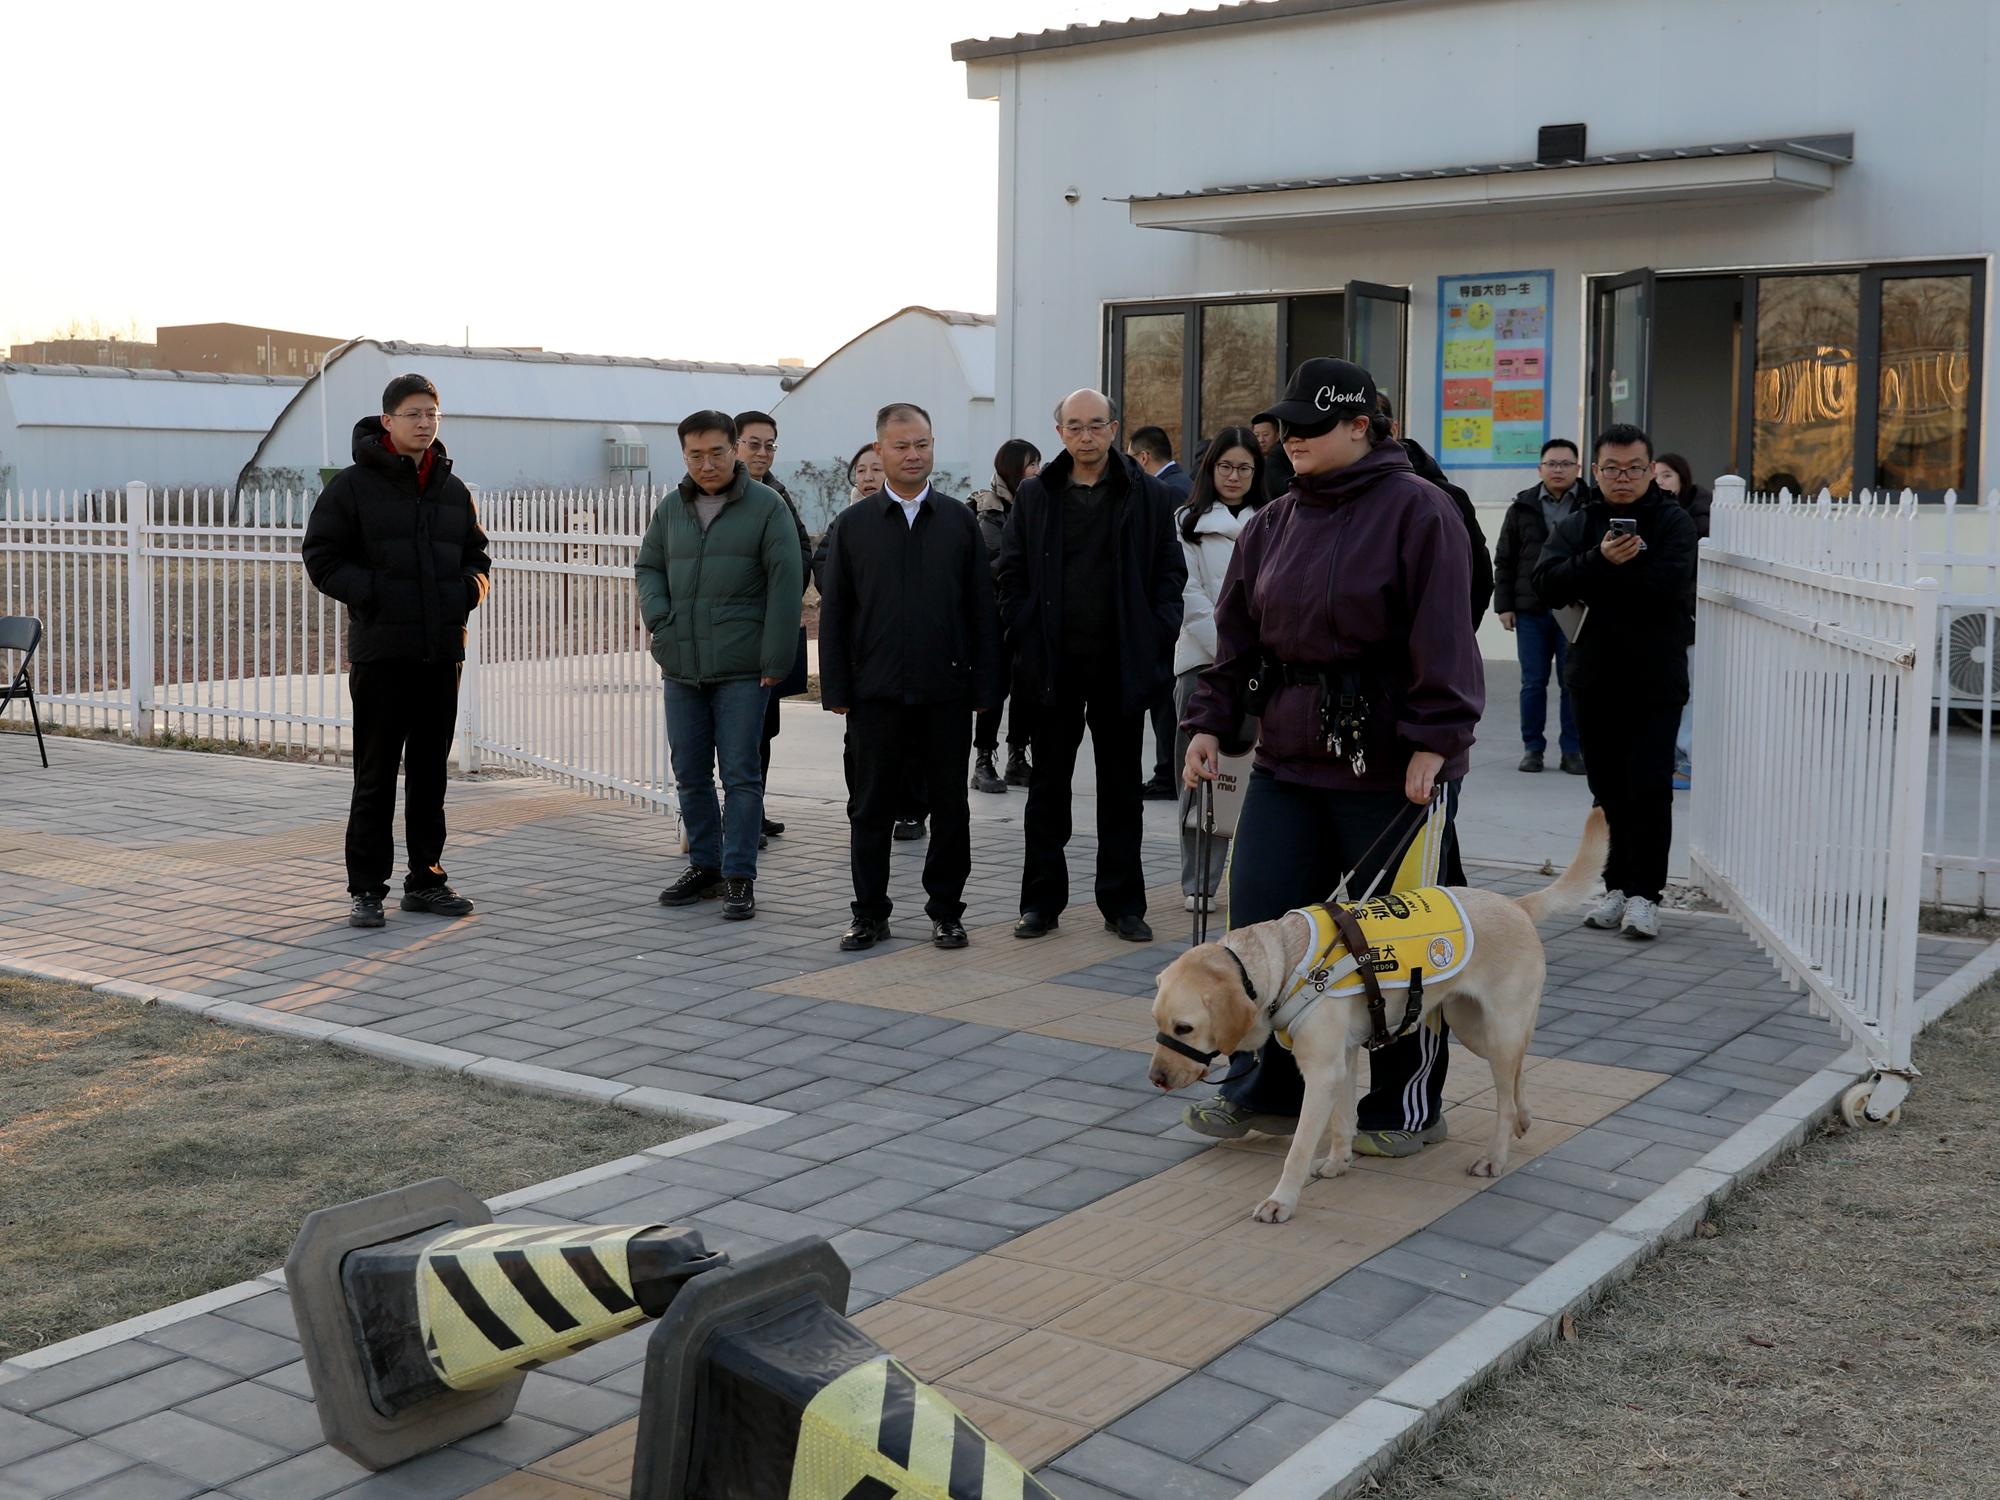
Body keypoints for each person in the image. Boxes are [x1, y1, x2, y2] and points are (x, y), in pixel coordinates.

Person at [1182, 357, 1483, 1157]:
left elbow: (1446, 635)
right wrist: (1209, 721)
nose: (1292, 439)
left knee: (1400, 944)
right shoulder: (1275, 521)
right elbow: (1236, 637)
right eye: (1288, 425)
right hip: (1287, 758)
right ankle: (1267, 1088)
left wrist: (1437, 741)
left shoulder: (1421, 510)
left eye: (1312, 426)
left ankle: (1405, 1105)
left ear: (1360, 426)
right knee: (1263, 930)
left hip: (1391, 767)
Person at [997, 388, 1186, 944]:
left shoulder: (1149, 495)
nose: (1086, 436)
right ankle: (1041, 903)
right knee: (1047, 790)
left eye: (1096, 425)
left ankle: (1123, 904)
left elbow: (1169, 574)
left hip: (1121, 664)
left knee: (1121, 791)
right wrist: (1022, 627)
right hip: (1052, 665)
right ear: (1060, 432)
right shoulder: (1036, 494)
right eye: (1075, 426)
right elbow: (1012, 570)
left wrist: (1156, 633)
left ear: (1114, 429)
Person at [304, 373, 491, 929]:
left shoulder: (452, 490)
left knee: (431, 775)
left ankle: (426, 880)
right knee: (376, 775)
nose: (424, 423)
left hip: (441, 653)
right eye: (413, 414)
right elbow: (321, 557)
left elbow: (478, 558)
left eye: (432, 413)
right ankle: (366, 889)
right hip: (382, 654)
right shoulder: (352, 487)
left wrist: (466, 592)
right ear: (387, 421)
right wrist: (375, 593)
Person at [819, 403, 1000, 952]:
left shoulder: (958, 521)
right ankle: (869, 913)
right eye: (901, 446)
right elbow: (836, 613)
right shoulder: (854, 526)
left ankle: (946, 911)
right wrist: (837, 689)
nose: (913, 455)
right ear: (880, 451)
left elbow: (981, 609)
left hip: (946, 692)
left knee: (950, 807)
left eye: (922, 444)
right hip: (874, 694)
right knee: (869, 807)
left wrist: (985, 687)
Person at [1533, 424, 1697, 941]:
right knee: (1606, 790)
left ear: (1650, 470)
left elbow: (1668, 585)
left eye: (1633, 468)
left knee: (1650, 787)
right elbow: (1546, 584)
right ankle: (1615, 887)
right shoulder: (1580, 524)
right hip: (1593, 678)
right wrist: (1597, 561)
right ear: (1596, 471)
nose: (1622, 478)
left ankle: (1646, 894)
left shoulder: (1673, 521)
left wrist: (1600, 577)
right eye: (1611, 469)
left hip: (1655, 679)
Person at [638, 411, 803, 922]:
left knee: (740, 774)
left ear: (734, 450)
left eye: (716, 452)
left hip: (742, 667)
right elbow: (649, 566)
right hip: (682, 664)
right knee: (689, 772)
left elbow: (786, 584)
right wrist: (660, 620)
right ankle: (705, 867)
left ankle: (739, 875)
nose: (706, 464)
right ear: (684, 455)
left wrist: (775, 658)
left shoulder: (767, 507)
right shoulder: (671, 508)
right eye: (695, 454)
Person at [1173, 426, 1265, 913]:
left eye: (1244, 468)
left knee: (1250, 778)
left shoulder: (1274, 519)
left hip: (1261, 669)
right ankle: (1199, 882)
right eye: (1226, 466)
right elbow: (1189, 597)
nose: (1234, 476)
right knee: (1199, 775)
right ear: (1210, 469)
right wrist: (1232, 654)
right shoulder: (1185, 522)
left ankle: (1246, 876)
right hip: (1202, 665)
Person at [735, 410, 813, 847]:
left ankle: (754, 810)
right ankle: (734, 817)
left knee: (763, 728)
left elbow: (801, 552)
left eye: (770, 445)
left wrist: (781, 593)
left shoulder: (779, 495)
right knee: (732, 732)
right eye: (754, 444)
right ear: (734, 445)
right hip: (731, 634)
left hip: (768, 633)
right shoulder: (717, 494)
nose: (762, 453)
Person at [1493, 439, 1588, 775]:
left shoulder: (1591, 504)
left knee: (1571, 682)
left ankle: (1572, 750)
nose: (1558, 470)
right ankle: (1532, 748)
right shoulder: (1522, 507)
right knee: (1532, 682)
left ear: (1578, 468)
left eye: (1565, 464)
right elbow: (1504, 560)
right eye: (1552, 464)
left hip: (1574, 608)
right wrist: (1504, 606)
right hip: (1531, 609)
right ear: (1540, 469)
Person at [1377, 393, 1493, 631]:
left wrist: (1451, 637)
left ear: (1393, 428)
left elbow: (1478, 580)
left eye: (1371, 422)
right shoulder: (1325, 497)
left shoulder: (1442, 497)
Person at [966, 439, 1041, 794]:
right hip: (995, 616)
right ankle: (983, 761)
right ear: (1012, 469)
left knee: (1026, 688)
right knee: (994, 690)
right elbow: (992, 565)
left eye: (1038, 463)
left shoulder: (1039, 503)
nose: (1037, 471)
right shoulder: (989, 511)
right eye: (1031, 464)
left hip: (1028, 613)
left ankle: (1017, 757)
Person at [1128, 425, 1189, 800]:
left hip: (1174, 617)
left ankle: (1168, 773)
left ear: (1143, 457)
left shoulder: (1167, 491)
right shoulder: (1179, 484)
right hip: (1173, 615)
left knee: (1166, 704)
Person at [1653, 453, 1708, 788]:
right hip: (1663, 619)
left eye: (1667, 475)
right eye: (1655, 475)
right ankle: (1672, 755)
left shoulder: (1700, 515)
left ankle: (1689, 760)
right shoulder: (1653, 513)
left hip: (1691, 617)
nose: (1660, 481)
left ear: (1683, 479)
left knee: (1690, 691)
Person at [1128, 425, 1192, 500]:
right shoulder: (1184, 482)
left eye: (1130, 459)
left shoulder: (1166, 491)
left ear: (1143, 458)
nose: (1129, 465)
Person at [1251, 411, 1295, 500]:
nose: (1261, 440)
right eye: (1256, 435)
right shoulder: (1253, 458)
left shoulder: (1277, 455)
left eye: (1265, 435)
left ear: (1278, 435)